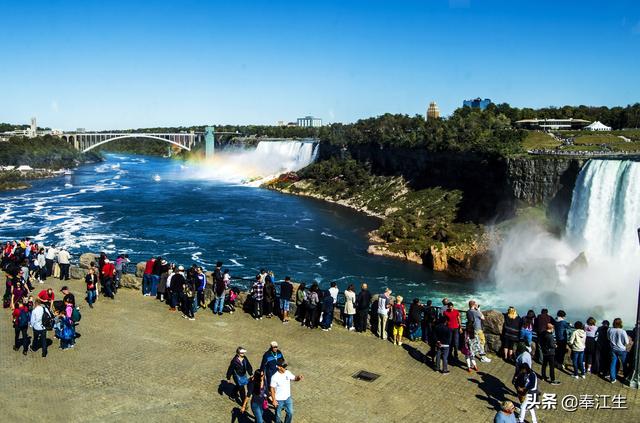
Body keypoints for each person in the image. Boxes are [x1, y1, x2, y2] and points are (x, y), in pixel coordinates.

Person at [270, 358, 303, 423]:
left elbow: (294, 378)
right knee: (278, 416)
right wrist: (274, 400)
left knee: (290, 413)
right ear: (278, 367)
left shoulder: (287, 372)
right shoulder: (274, 377)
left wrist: (298, 378)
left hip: (288, 398)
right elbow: (272, 388)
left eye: (285, 366)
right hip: (279, 400)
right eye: (283, 367)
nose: (284, 368)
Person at [608, 317, 630, 384]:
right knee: (624, 364)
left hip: (613, 349)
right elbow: (627, 342)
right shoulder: (623, 331)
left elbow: (608, 338)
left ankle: (612, 379)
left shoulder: (610, 330)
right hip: (622, 350)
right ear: (620, 323)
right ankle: (625, 377)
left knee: (613, 363)